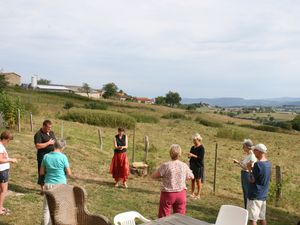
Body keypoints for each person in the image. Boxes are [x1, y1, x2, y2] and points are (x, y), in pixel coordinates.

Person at [152, 144, 194, 218]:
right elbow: (191, 176)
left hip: (168, 194)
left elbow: (153, 176)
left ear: (170, 153)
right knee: (180, 219)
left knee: (164, 218)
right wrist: (184, 178)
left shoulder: (166, 165)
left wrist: (162, 175)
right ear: (180, 154)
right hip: (181, 194)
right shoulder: (184, 165)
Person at [40, 139, 71, 225]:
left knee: (46, 208)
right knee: (59, 208)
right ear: (62, 147)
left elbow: (41, 172)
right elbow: (69, 173)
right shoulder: (63, 157)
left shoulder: (46, 156)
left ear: (54, 145)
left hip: (48, 184)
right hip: (60, 185)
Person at [247, 144, 271, 225]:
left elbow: (251, 180)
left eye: (255, 150)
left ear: (259, 152)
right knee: (262, 219)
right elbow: (260, 175)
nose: (253, 152)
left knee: (253, 220)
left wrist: (249, 169)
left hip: (255, 195)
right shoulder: (268, 164)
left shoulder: (258, 164)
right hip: (263, 196)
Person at [233, 139, 257, 209]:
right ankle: (246, 207)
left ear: (247, 147)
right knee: (245, 191)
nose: (243, 148)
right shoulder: (248, 155)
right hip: (244, 174)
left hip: (247, 174)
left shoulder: (252, 156)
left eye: (243, 146)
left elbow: (247, 167)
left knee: (247, 191)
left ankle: (248, 208)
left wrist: (238, 163)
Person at [34, 120, 56, 193]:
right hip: (43, 157)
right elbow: (38, 146)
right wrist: (48, 143)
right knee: (42, 172)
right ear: (44, 126)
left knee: (50, 172)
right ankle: (43, 190)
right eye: (48, 127)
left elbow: (54, 141)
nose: (50, 129)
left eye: (50, 127)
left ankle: (49, 187)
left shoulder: (51, 133)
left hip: (52, 156)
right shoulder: (39, 134)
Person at [0, 131, 17, 216]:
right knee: (4, 191)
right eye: (8, 140)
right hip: (2, 171)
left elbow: (3, 158)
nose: (8, 142)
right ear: (4, 138)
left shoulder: (1, 146)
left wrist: (10, 158)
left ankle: (1, 206)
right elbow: (0, 160)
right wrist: (10, 160)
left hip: (3, 171)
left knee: (3, 190)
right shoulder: (0, 147)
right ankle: (0, 209)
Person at [188, 133, 205, 199]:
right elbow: (191, 155)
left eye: (195, 140)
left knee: (198, 180)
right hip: (192, 165)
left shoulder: (201, 148)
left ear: (198, 140)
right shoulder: (192, 147)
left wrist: (192, 155)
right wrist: (189, 156)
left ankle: (198, 194)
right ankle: (192, 193)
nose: (194, 141)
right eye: (193, 140)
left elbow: (200, 158)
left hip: (198, 166)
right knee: (192, 179)